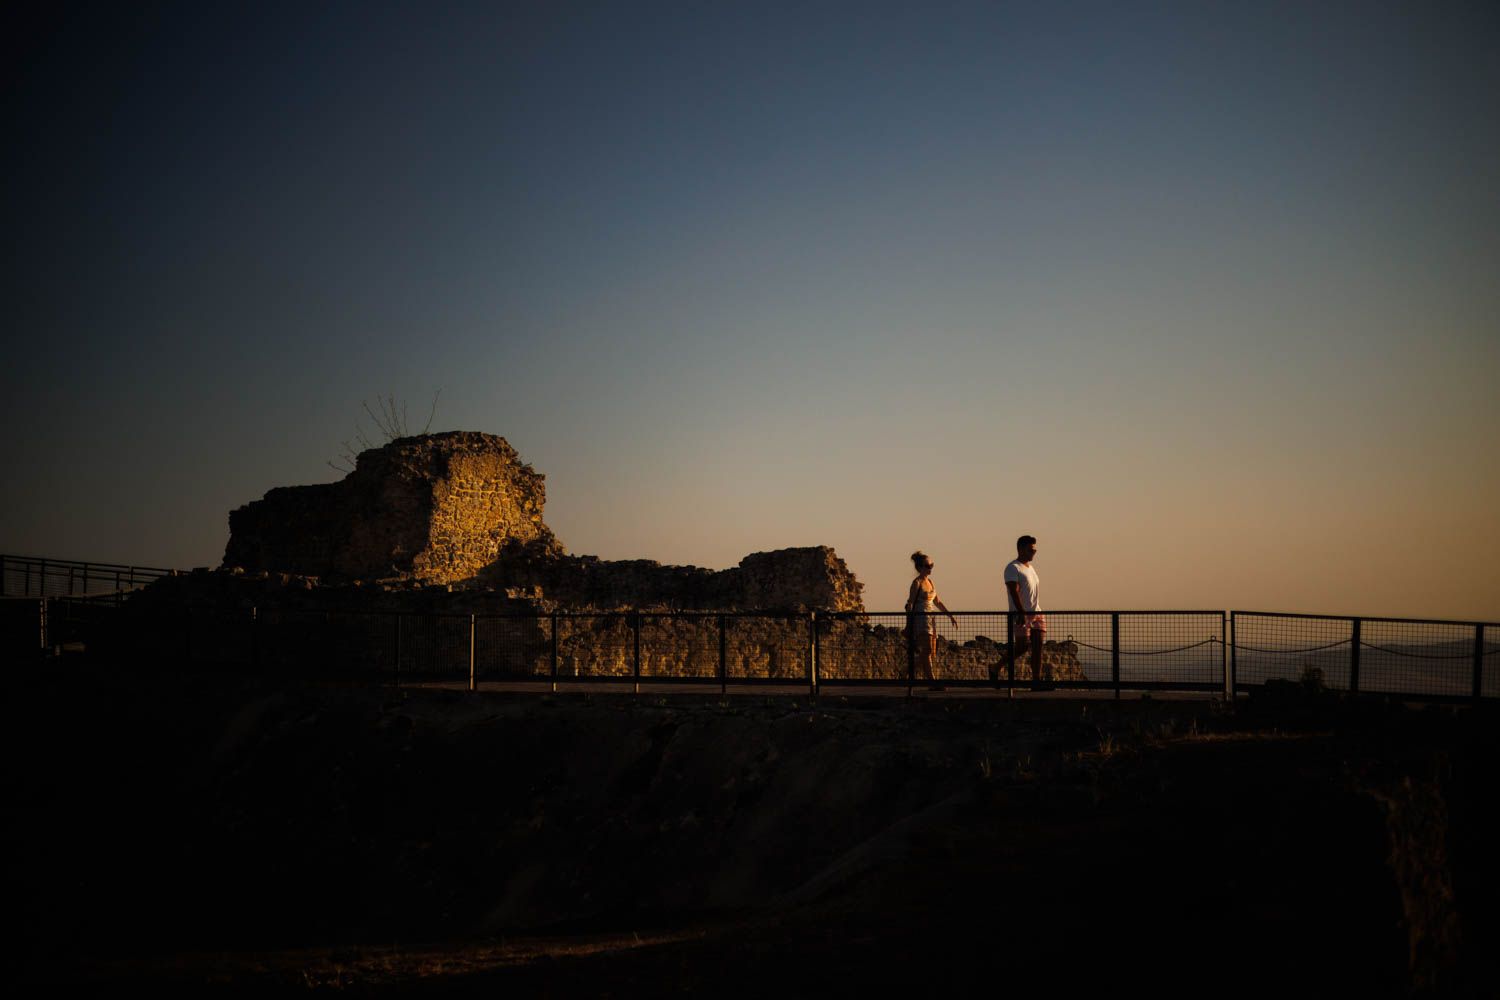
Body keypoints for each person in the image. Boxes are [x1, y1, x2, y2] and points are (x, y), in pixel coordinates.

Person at [906, 551, 958, 688]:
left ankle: (918, 675)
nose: (930, 568)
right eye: (928, 565)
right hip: (920, 618)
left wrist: (950, 615)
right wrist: (908, 623)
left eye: (932, 565)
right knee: (927, 650)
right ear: (920, 567)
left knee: (930, 652)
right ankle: (926, 679)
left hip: (930, 619)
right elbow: (910, 603)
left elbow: (937, 601)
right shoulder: (916, 583)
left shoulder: (930, 582)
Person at [1003, 535, 1048, 686]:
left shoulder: (1031, 568)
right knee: (1022, 647)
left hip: (1037, 613)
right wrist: (1021, 612)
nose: (1033, 553)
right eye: (1030, 550)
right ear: (1021, 549)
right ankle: (995, 667)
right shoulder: (1013, 568)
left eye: (1035, 550)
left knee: (1038, 647)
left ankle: (1036, 681)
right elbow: (1013, 591)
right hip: (1021, 614)